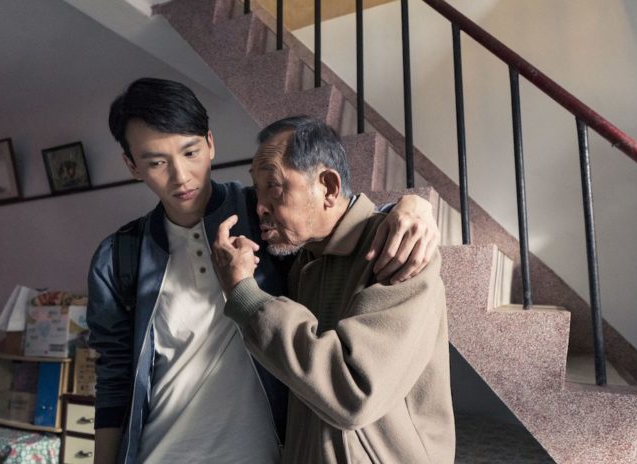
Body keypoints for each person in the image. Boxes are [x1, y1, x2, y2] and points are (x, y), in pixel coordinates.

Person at [86, 78, 442, 463]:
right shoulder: (119, 257)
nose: (181, 176)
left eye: (190, 152)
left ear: (210, 143)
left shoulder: (265, 220)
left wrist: (411, 208)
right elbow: (114, 379)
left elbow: (333, 219)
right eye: (157, 162)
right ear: (132, 166)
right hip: (159, 453)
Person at [212, 116, 455, 463]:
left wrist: (245, 295)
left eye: (273, 186)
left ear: (328, 187)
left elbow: (354, 393)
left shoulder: (401, 251)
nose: (260, 205)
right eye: (257, 188)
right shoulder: (303, 262)